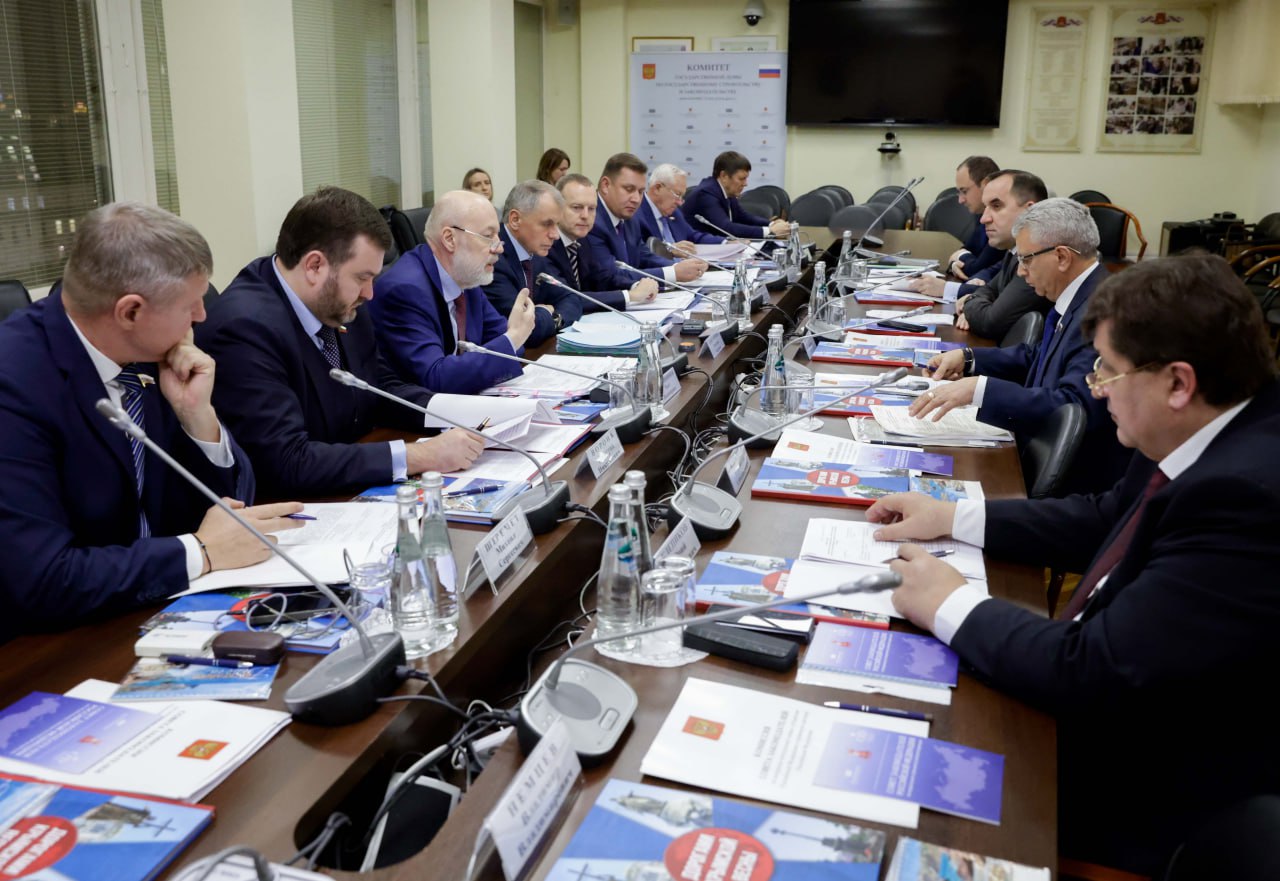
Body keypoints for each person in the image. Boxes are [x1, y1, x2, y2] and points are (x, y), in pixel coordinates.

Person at [866, 253, 1280, 874]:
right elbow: (1103, 517)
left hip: (1143, 793)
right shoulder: (1204, 427)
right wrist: (951, 517)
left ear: (1178, 383)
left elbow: (1093, 669)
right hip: (1106, 702)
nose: (1096, 388)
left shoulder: (1247, 498)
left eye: (1107, 371)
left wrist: (948, 602)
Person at [0, 202, 303, 640]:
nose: (202, 316)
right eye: (190, 305)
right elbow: (42, 578)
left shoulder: (148, 355)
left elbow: (232, 508)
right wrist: (199, 552)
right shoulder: (14, 384)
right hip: (54, 644)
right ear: (130, 312)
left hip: (154, 606)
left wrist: (197, 417)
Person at [197, 187, 483, 499]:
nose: (370, 293)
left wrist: (464, 413)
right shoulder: (245, 328)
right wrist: (421, 456)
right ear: (314, 266)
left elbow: (379, 386)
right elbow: (286, 461)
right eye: (362, 278)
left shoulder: (338, 300)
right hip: (293, 509)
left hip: (345, 484)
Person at [911, 198, 1131, 495]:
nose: (1021, 271)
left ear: (1062, 257)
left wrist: (981, 391)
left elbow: (1073, 405)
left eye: (1026, 259)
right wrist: (969, 359)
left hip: (1073, 487)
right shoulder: (1080, 294)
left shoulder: (1103, 312)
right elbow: (1039, 357)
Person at [369, 189, 538, 395]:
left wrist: (512, 338)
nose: (499, 248)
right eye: (487, 236)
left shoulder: (465, 277)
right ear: (449, 239)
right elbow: (435, 378)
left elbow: (505, 342)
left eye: (498, 237)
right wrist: (514, 337)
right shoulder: (405, 290)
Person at [909, 169, 1050, 340]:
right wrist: (979, 301)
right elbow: (988, 289)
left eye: (996, 206)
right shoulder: (1013, 252)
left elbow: (990, 322)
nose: (984, 219)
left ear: (1030, 211)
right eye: (985, 208)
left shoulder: (1038, 260)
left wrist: (970, 304)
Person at [582, 152, 707, 292]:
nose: (636, 199)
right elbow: (610, 277)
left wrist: (679, 267)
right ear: (605, 185)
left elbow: (643, 256)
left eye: (640, 191)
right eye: (629, 189)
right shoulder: (590, 221)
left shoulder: (629, 217)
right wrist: (673, 273)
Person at [482, 180, 579, 346]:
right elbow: (523, 330)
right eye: (547, 224)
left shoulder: (534, 252)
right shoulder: (493, 259)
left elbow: (571, 297)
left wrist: (553, 317)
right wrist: (546, 312)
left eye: (556, 224)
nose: (555, 235)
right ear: (515, 220)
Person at [545, 173, 659, 312]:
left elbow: (603, 278)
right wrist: (630, 296)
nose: (585, 216)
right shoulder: (545, 245)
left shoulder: (582, 240)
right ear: (557, 208)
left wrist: (636, 286)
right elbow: (567, 298)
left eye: (591, 209)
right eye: (576, 207)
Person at [684, 150, 790, 240]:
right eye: (741, 179)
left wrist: (772, 224)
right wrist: (769, 231)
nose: (745, 184)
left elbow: (742, 217)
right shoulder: (706, 194)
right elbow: (726, 228)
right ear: (724, 176)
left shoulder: (727, 190)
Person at [635, 163, 725, 255]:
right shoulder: (636, 214)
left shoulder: (674, 213)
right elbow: (640, 253)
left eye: (682, 197)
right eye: (677, 194)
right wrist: (669, 250)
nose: (680, 203)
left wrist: (726, 242)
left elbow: (692, 236)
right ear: (657, 188)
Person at [945, 156, 1002, 282]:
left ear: (985, 185)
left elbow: (976, 269)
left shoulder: (1002, 222)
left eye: (964, 191)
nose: (960, 200)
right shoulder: (981, 216)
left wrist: (959, 256)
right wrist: (954, 264)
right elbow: (967, 249)